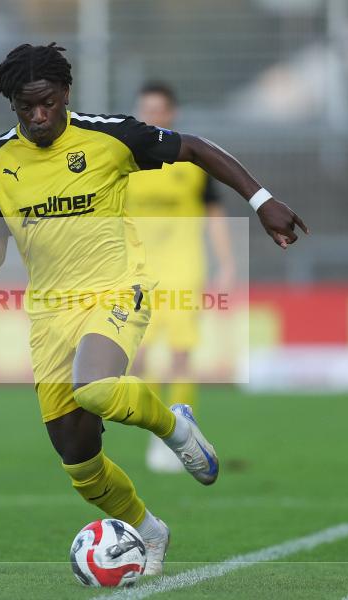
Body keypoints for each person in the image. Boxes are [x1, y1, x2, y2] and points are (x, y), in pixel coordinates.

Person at [0, 43, 307, 576]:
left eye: (47, 102)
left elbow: (194, 147)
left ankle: (176, 428)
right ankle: (148, 530)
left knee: (94, 386)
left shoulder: (109, 136)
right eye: (25, 108)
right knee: (80, 465)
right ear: (12, 107)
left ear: (65, 94)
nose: (38, 116)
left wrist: (262, 202)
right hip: (50, 313)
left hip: (117, 290)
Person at [126, 81, 235, 473]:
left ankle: (179, 434)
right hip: (138, 272)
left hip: (185, 267)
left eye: (159, 109)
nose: (153, 116)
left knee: (181, 353)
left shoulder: (191, 159)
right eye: (146, 109)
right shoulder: (126, 157)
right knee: (137, 358)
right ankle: (161, 430)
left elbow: (214, 213)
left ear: (171, 113)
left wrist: (226, 263)